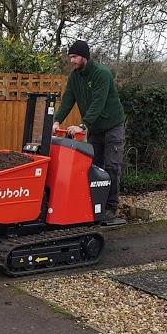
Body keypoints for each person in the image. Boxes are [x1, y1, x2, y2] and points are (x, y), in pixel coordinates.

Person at [52, 40, 125, 219]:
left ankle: (111, 206)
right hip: (96, 129)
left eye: (74, 57)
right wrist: (56, 121)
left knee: (111, 167)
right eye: (70, 57)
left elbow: (98, 103)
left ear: (84, 56)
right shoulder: (75, 76)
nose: (72, 61)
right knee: (93, 166)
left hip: (112, 126)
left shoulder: (102, 74)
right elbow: (68, 99)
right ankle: (94, 204)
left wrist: (83, 125)